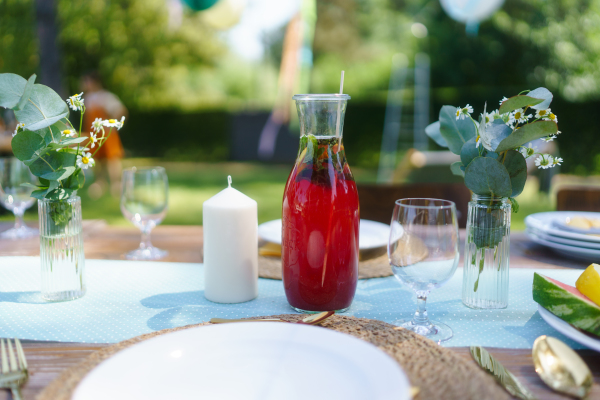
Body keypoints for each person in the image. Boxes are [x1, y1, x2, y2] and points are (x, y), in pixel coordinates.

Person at [80, 71, 128, 198]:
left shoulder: (106, 97)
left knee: (113, 159)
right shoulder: (87, 99)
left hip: (107, 134)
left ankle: (116, 184)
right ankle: (100, 183)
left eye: (86, 81)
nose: (84, 84)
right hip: (94, 134)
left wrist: (112, 124)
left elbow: (120, 110)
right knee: (97, 159)